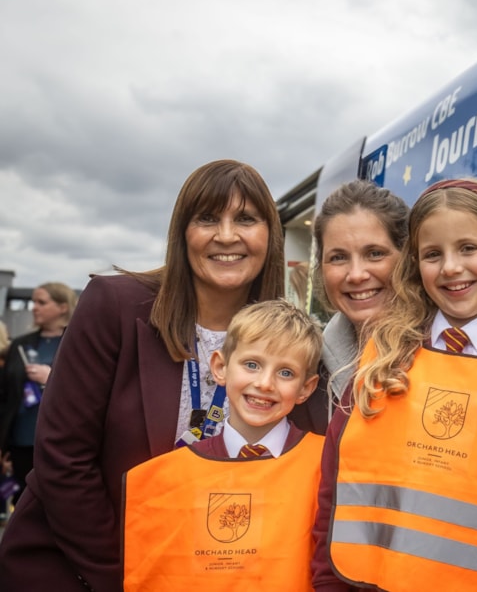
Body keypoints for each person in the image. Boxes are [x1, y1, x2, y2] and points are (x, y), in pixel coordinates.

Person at [0, 159, 288, 592]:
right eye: (207, 218)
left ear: (270, 236)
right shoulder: (114, 306)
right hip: (84, 566)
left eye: (245, 219)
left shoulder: (285, 337)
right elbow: (63, 458)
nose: (226, 236)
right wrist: (122, 577)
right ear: (181, 234)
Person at [312, 178, 477, 591]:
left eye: (469, 248)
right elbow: (335, 495)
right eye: (432, 254)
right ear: (415, 265)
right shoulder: (380, 359)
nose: (452, 268)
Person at [123, 300, 323, 589]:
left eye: (286, 373)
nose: (265, 383)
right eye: (252, 365)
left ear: (306, 388)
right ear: (220, 367)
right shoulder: (163, 479)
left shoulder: (327, 464)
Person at [0, 282, 77, 510]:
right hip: (21, 439)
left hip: (59, 440)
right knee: (23, 503)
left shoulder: (75, 342)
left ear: (63, 307)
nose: (34, 307)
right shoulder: (21, 344)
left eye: (41, 302)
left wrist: (52, 378)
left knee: (53, 504)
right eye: (33, 301)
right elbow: (5, 395)